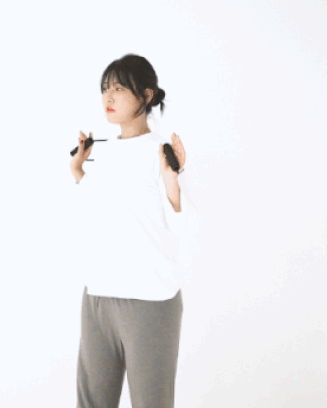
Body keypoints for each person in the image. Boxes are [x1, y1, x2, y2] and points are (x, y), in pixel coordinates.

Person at [69, 54, 199, 408]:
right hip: (98, 296)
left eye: (119, 89)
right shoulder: (102, 151)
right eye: (105, 89)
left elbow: (184, 224)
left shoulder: (162, 151)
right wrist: (79, 170)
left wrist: (173, 178)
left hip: (149, 299)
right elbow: (102, 212)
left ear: (146, 95)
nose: (108, 97)